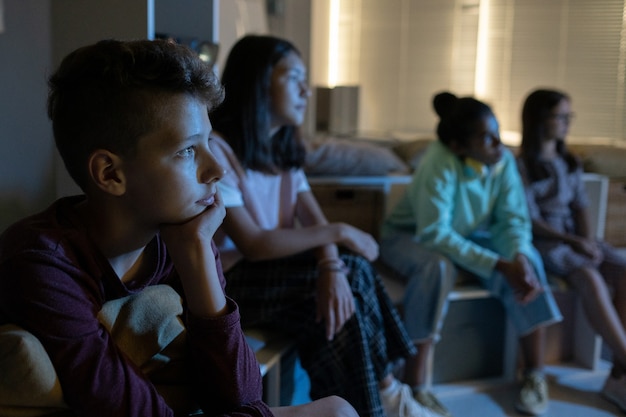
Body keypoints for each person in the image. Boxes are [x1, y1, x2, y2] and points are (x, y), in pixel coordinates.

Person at [0, 39, 359, 417]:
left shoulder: (184, 233)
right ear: (110, 173)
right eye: (188, 150)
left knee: (338, 410)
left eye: (208, 142)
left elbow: (240, 397)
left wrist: (199, 259)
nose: (217, 169)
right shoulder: (41, 266)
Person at [209, 34, 441, 417]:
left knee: (343, 284)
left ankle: (380, 399)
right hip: (230, 284)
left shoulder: (283, 153)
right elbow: (254, 243)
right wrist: (340, 233)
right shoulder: (218, 152)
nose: (306, 90)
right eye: (294, 77)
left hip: (277, 278)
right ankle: (388, 395)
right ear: (259, 81)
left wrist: (329, 264)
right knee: (350, 273)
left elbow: (314, 221)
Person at [379, 92, 562, 416]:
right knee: (436, 267)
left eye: (498, 131)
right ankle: (417, 385)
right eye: (486, 138)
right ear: (459, 147)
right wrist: (496, 263)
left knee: (529, 258)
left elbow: (513, 219)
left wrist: (516, 255)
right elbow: (434, 232)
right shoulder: (439, 161)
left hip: (462, 234)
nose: (498, 143)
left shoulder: (500, 161)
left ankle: (535, 375)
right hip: (408, 235)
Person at [517, 88, 626, 413]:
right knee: (590, 279)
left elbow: (580, 207)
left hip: (575, 238)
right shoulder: (521, 165)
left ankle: (618, 372)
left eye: (569, 117)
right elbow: (530, 219)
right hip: (548, 242)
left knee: (621, 269)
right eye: (560, 116)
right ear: (540, 120)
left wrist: (588, 241)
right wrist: (574, 244)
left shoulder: (569, 161)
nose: (566, 123)